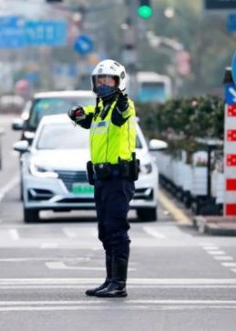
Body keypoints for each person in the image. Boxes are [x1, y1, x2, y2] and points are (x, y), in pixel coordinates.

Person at [67, 59, 138, 298]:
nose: (104, 85)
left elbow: (122, 113)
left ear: (120, 82)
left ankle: (119, 283)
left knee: (117, 229)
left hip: (119, 178)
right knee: (105, 230)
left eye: (109, 80)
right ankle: (109, 280)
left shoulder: (123, 105)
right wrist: (75, 113)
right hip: (102, 178)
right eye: (100, 80)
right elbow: (84, 117)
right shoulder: (98, 109)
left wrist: (121, 97)